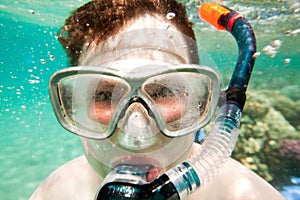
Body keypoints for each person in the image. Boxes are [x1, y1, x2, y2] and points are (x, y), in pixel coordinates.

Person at [30, 0, 285, 199]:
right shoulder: (54, 194)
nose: (136, 132)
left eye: (164, 92)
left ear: (198, 102)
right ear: (76, 108)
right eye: (106, 95)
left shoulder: (247, 194)